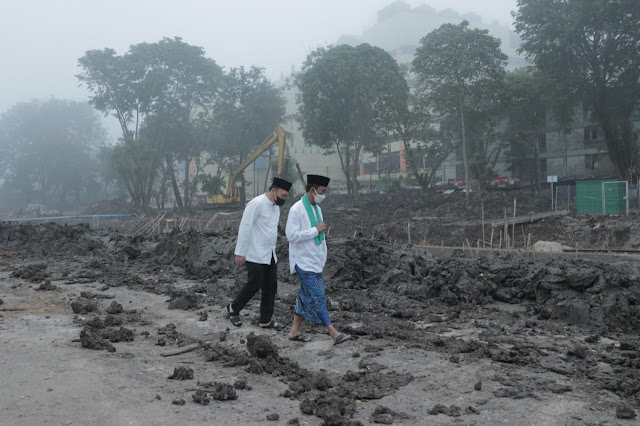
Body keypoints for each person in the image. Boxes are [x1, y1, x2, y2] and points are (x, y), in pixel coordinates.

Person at [285, 174, 351, 345]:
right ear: (313, 190)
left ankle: (294, 331)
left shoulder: (317, 209)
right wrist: (315, 230)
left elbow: (320, 236)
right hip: (303, 262)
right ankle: (333, 333)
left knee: (305, 296)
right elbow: (291, 236)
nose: (324, 195)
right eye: (322, 191)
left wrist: (322, 256)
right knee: (319, 296)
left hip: (315, 262)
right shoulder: (296, 209)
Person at [226, 177, 292, 329]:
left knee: (270, 287)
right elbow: (245, 226)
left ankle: (265, 320)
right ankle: (233, 308)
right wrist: (240, 252)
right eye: (283, 195)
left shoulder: (276, 208)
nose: (283, 199)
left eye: (286, 197)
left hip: (269, 254)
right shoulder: (256, 203)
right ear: (273, 190)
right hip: (254, 252)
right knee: (254, 284)